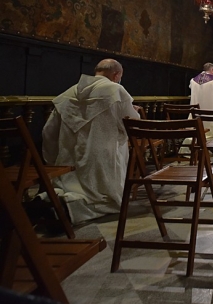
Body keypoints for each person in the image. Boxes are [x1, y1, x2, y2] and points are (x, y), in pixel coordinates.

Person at [41, 59, 140, 225]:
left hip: (68, 159)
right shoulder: (116, 91)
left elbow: (48, 132)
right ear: (116, 75)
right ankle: (67, 209)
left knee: (68, 186)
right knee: (109, 200)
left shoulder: (69, 92)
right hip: (103, 160)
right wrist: (134, 112)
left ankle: (47, 199)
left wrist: (52, 160)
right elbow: (133, 124)